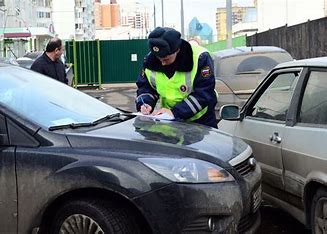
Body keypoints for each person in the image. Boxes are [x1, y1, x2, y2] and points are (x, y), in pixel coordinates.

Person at [135, 27, 217, 128]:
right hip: (169, 122)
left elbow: (204, 94)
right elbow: (145, 87)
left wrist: (175, 112)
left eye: (166, 58)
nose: (162, 63)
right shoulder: (150, 61)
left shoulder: (200, 58)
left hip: (201, 121)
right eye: (158, 57)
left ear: (177, 50)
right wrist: (145, 103)